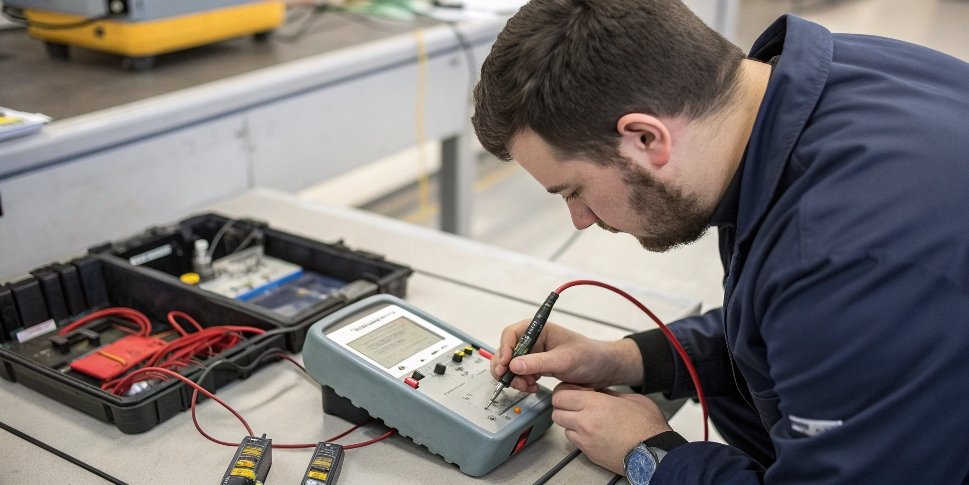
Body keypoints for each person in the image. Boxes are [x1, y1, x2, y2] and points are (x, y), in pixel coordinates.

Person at [472, 0, 969, 483]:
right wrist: (629, 358)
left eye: (574, 190)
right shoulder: (832, 80)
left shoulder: (846, 252)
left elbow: (829, 304)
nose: (579, 219)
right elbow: (792, 321)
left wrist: (651, 456)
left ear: (646, 139)